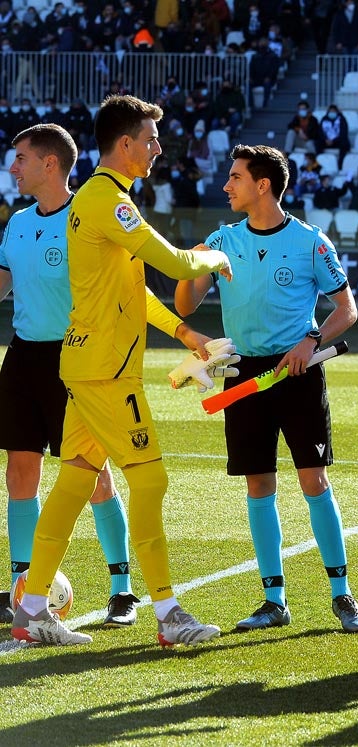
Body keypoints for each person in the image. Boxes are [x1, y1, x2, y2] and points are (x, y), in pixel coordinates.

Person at [10, 95, 233, 647]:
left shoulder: (106, 201)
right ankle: (168, 613)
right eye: (151, 139)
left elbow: (134, 291)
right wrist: (219, 251)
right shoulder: (110, 201)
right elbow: (180, 265)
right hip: (108, 371)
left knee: (74, 480)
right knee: (150, 479)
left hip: (87, 364)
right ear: (127, 144)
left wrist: (185, 334)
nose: (158, 149)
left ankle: (33, 607)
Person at [173, 143, 358, 635]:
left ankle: (342, 595)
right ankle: (273, 599)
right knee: (258, 484)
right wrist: (192, 266)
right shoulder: (222, 240)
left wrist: (311, 341)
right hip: (242, 374)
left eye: (235, 178)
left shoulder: (310, 242)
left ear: (263, 185)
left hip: (297, 374)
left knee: (313, 482)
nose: (226, 186)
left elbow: (347, 310)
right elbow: (184, 307)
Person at [0, 124, 139, 628]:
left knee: (92, 473)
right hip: (23, 357)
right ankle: (23, 583)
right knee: (20, 470)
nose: (13, 167)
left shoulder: (89, 216)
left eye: (20, 158)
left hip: (75, 359)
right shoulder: (16, 223)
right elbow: (3, 282)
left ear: (50, 164)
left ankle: (122, 588)